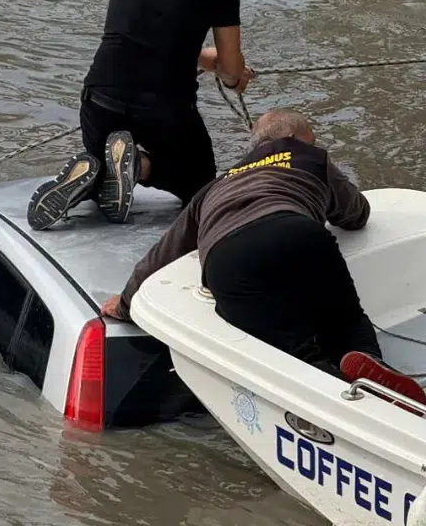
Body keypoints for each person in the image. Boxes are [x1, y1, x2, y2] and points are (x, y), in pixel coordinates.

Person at [101, 109, 401, 386]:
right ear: (294, 138)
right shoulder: (309, 158)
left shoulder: (216, 186)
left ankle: (330, 385)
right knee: (345, 319)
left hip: (230, 252)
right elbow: (356, 214)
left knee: (289, 354)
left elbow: (165, 251)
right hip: (299, 232)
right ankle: (374, 371)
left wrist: (126, 304)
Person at [26, 0, 254, 232]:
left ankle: (101, 169)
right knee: (199, 180)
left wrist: (201, 58)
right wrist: (235, 76)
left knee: (104, 158)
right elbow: (229, 69)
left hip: (99, 101)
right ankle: (138, 168)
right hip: (163, 111)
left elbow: (144, 37)